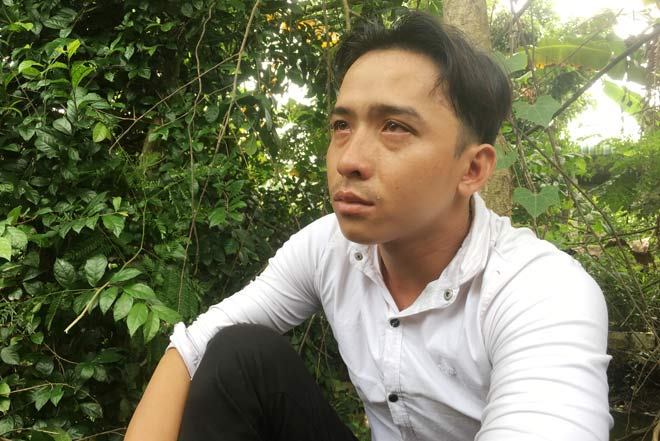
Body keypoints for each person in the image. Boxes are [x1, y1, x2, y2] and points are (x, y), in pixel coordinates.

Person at [125, 11, 612, 441]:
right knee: (239, 354)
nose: (349, 160)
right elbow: (192, 347)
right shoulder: (327, 247)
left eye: (395, 127)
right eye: (342, 126)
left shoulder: (541, 291)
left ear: (472, 169)